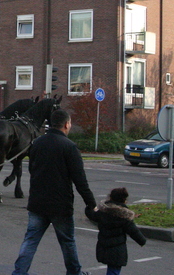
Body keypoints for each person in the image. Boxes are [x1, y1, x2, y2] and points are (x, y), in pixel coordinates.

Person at [12, 109, 95, 275]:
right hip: (60, 204)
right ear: (66, 124)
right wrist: (91, 203)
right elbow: (80, 180)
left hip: (37, 203)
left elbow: (32, 169)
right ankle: (74, 272)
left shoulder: (36, 143)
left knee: (31, 240)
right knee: (67, 242)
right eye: (70, 123)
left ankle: (19, 272)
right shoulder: (69, 147)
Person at [85, 187, 147, 275]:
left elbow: (92, 215)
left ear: (111, 198)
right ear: (123, 200)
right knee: (114, 270)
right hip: (117, 250)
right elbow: (133, 231)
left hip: (103, 246)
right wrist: (142, 241)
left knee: (112, 270)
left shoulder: (102, 213)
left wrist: (89, 207)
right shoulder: (124, 216)